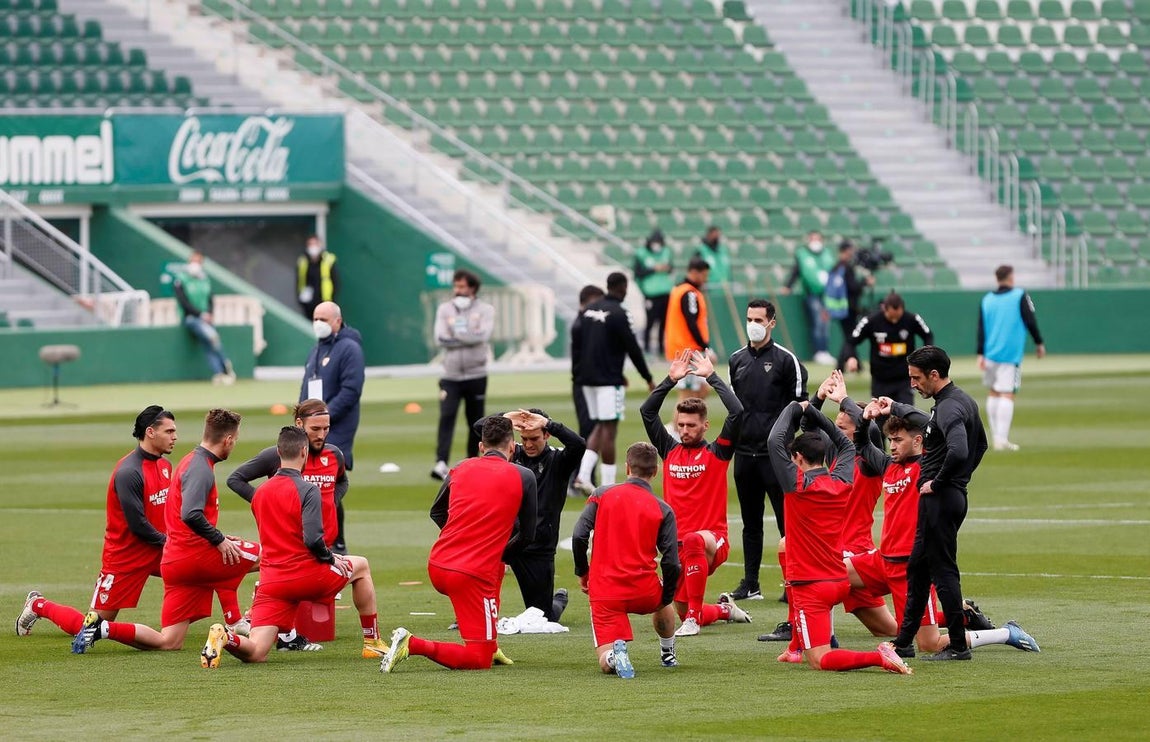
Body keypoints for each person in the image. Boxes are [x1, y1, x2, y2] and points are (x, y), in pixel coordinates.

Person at [845, 405, 1040, 658]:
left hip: (913, 568)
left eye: (898, 440)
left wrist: (898, 408)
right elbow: (862, 444)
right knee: (829, 575)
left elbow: (943, 433)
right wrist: (863, 418)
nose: (892, 446)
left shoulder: (929, 466)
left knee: (929, 643)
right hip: (882, 561)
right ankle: (816, 640)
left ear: (918, 440)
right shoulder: (887, 465)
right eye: (890, 440)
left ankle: (1006, 633)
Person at [69, 409, 262, 656]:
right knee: (273, 557)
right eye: (169, 431)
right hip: (150, 556)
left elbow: (181, 516)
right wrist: (218, 538)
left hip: (172, 559)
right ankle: (272, 629)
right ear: (228, 440)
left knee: (169, 641)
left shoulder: (181, 462)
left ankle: (103, 629)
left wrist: (218, 536)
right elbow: (189, 515)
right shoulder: (192, 468)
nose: (175, 437)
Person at [200, 426, 388, 667]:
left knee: (257, 652)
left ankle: (225, 638)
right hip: (307, 576)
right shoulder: (308, 489)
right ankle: (372, 643)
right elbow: (312, 539)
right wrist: (332, 558)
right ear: (304, 452)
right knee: (361, 566)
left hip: (272, 584)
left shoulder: (261, 493)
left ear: (278, 452)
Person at [380, 416, 537, 672]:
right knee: (478, 659)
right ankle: (412, 643)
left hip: (438, 565)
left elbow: (437, 512)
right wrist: (493, 553)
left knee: (493, 565)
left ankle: (491, 643)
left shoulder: (460, 467)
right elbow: (529, 536)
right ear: (512, 447)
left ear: (481, 446)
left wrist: (465, 540)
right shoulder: (524, 476)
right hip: (469, 576)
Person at [765, 400, 911, 674]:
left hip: (812, 585)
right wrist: (815, 414)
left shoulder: (797, 486)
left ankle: (878, 656)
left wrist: (796, 408)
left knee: (821, 659)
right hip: (839, 578)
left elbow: (774, 440)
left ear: (796, 458)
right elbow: (846, 445)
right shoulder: (842, 481)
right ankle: (796, 647)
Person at [16, 406, 178, 638]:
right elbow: (138, 525)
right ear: (150, 432)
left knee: (206, 568)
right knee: (89, 630)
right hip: (126, 558)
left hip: (159, 550)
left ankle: (235, 621)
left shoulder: (165, 466)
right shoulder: (129, 472)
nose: (175, 437)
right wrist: (173, 543)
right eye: (169, 431)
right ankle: (38, 605)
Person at [879, 345, 988, 661]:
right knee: (918, 570)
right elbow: (980, 445)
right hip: (948, 497)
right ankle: (903, 642)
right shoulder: (960, 401)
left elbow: (959, 450)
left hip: (939, 500)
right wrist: (895, 406)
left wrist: (938, 483)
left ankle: (957, 645)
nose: (913, 384)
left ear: (934, 375)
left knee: (943, 573)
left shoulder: (949, 408)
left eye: (916, 378)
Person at [640, 349, 751, 637]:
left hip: (712, 539)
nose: (685, 430)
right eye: (681, 426)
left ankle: (692, 620)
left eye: (691, 425)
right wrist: (670, 380)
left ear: (705, 425)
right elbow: (647, 412)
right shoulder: (670, 450)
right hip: (677, 549)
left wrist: (712, 377)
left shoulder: (718, 452)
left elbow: (737, 411)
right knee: (682, 607)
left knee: (693, 540)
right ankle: (724, 610)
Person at [226, 398, 347, 650]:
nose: (322, 435)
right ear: (299, 424)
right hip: (294, 546)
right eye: (315, 429)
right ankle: (372, 639)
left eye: (326, 428)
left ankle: (283, 634)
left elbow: (343, 481)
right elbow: (236, 479)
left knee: (288, 591)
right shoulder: (277, 454)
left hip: (320, 542)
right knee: (354, 569)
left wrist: (330, 501)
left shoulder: (334, 454)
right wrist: (262, 501)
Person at [572, 442, 681, 678]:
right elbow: (672, 561)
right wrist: (666, 595)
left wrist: (583, 571)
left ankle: (613, 656)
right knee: (664, 603)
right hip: (644, 590)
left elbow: (579, 535)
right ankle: (668, 652)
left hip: (606, 592)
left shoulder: (601, 494)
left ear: (627, 468)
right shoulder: (663, 509)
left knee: (604, 661)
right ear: (655, 472)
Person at [726, 299, 808, 602]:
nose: (753, 324)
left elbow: (803, 403)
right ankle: (751, 582)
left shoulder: (788, 361)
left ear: (771, 323)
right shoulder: (736, 360)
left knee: (787, 521)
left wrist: (783, 437)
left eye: (759, 320)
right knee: (750, 522)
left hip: (777, 457)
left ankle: (794, 581)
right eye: (750, 318)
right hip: (744, 453)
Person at [474, 408, 586, 621]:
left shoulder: (558, 461)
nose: (528, 444)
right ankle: (468, 618)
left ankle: (558, 600)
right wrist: (506, 418)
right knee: (478, 583)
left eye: (534, 438)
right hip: (505, 539)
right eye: (524, 439)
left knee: (543, 616)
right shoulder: (511, 452)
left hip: (538, 546)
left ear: (546, 434)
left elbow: (579, 444)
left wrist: (549, 422)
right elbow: (480, 428)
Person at [573, 272, 654, 493]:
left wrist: (579, 375)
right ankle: (608, 485)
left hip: (586, 380)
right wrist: (647, 377)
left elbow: (578, 343)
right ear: (623, 288)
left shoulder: (588, 310)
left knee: (599, 425)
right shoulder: (620, 313)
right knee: (610, 429)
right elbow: (632, 347)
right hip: (608, 380)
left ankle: (582, 475)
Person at [301, 301, 364, 552]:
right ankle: (316, 540)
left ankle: (337, 543)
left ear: (338, 321)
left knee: (328, 482)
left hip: (336, 428)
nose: (319, 324)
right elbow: (306, 387)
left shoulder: (349, 348)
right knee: (314, 483)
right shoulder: (316, 349)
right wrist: (301, 417)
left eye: (324, 319)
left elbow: (351, 390)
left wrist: (321, 419)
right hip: (312, 427)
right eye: (316, 318)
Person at [430, 269, 495, 481]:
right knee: (446, 416)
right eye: (456, 286)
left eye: (462, 287)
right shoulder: (445, 309)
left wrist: (457, 335)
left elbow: (483, 335)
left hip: (476, 373)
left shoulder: (485, 309)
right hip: (451, 375)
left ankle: (471, 461)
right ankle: (441, 462)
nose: (458, 291)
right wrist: (468, 336)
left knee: (475, 421)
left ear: (473, 288)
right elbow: (440, 338)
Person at [978, 264, 1046, 451]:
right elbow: (1030, 320)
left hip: (990, 353)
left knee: (993, 392)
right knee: (1007, 393)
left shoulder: (987, 300)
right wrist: (1039, 342)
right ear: (1010, 277)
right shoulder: (1019, 295)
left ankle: (995, 437)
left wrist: (980, 353)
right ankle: (1002, 439)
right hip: (1010, 354)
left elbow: (981, 327)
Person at [843, 292, 934, 405]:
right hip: (880, 379)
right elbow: (850, 341)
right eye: (891, 317)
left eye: (898, 317)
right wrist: (851, 357)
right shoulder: (871, 321)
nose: (895, 321)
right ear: (884, 309)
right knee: (880, 419)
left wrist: (926, 356)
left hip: (904, 379)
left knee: (906, 417)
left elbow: (928, 335)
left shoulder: (912, 319)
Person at [173, 250, 235, 385]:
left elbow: (210, 299)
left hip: (206, 318)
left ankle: (220, 373)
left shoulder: (204, 279)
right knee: (212, 337)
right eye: (193, 261)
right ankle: (225, 366)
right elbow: (183, 302)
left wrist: (209, 313)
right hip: (190, 319)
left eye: (198, 262)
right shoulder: (180, 279)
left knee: (209, 344)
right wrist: (200, 315)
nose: (195, 264)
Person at [782, 231, 837, 366]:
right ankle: (819, 351)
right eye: (813, 239)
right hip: (811, 294)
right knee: (818, 322)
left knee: (825, 323)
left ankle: (825, 350)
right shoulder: (803, 254)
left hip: (827, 295)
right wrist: (788, 286)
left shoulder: (827, 255)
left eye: (818, 238)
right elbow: (797, 271)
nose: (815, 241)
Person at [663, 257, 714, 400]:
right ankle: (677, 423)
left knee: (700, 391)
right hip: (688, 349)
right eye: (704, 275)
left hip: (684, 348)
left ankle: (683, 422)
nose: (706, 279)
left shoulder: (679, 290)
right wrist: (704, 346)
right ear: (694, 272)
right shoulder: (689, 293)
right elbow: (691, 323)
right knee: (687, 395)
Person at [825, 241, 874, 369]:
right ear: (846, 251)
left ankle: (856, 365)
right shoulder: (847, 268)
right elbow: (853, 288)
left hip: (839, 307)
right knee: (850, 337)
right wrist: (865, 282)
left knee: (850, 336)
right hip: (849, 308)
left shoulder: (836, 267)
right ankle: (840, 365)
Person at [570, 284, 605, 443]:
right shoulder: (582, 325)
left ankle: (586, 467)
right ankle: (583, 468)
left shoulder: (583, 323)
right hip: (584, 383)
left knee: (593, 428)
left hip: (585, 382)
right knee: (588, 428)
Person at [634, 229, 674, 355]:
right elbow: (638, 274)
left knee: (664, 323)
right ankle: (646, 349)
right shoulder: (641, 254)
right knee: (650, 323)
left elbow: (671, 268)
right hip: (650, 294)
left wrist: (666, 268)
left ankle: (662, 349)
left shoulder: (666, 252)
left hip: (665, 292)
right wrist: (653, 269)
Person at [297, 234, 339, 320]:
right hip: (308, 304)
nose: (313, 247)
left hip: (325, 301)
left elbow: (335, 282)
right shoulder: (303, 262)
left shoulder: (328, 260)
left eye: (315, 244)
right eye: (310, 244)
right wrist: (301, 298)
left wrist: (330, 300)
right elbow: (299, 281)